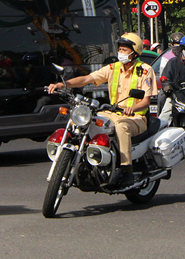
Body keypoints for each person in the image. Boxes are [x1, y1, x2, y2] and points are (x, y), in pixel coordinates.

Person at [47, 32, 157, 185]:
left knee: (121, 127)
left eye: (125, 49)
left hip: (136, 117)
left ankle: (127, 170)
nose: (121, 52)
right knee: (85, 121)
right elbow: (88, 79)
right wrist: (64, 84)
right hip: (112, 112)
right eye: (120, 49)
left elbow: (146, 100)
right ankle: (78, 158)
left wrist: (133, 108)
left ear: (134, 51)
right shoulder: (113, 68)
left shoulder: (145, 70)